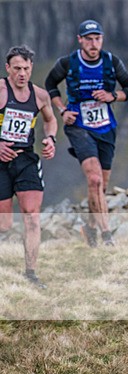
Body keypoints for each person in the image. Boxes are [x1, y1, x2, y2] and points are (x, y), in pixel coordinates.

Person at [45, 19, 128, 247]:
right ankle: (107, 237)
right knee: (94, 179)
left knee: (101, 186)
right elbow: (50, 84)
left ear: (102, 39)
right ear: (80, 40)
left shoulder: (112, 62)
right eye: (88, 39)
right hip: (78, 126)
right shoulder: (67, 63)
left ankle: (90, 228)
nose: (93, 43)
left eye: (97, 39)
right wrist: (62, 110)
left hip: (106, 128)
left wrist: (112, 96)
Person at [0, 45, 58, 289]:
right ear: (7, 68)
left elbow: (50, 120)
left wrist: (50, 139)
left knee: (32, 217)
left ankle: (31, 274)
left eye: (25, 68)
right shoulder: (1, 90)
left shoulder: (41, 95)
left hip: (26, 160)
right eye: (16, 69)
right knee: (4, 224)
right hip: (0, 162)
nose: (21, 74)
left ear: (31, 67)